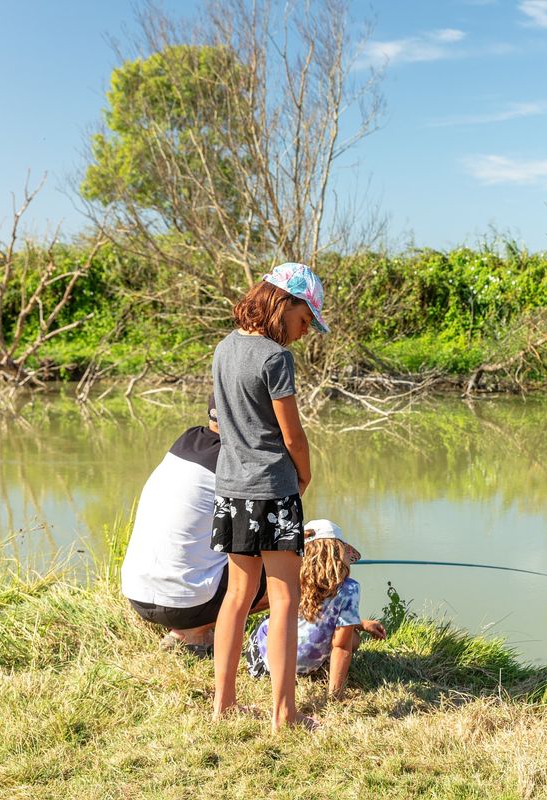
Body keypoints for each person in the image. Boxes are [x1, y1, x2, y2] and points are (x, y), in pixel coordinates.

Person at [210, 262, 329, 732]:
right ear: (286, 303)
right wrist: (305, 474)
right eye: (304, 321)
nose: (303, 333)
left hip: (232, 490)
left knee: (237, 596)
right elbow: (292, 433)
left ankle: (223, 704)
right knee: (284, 597)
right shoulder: (275, 358)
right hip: (274, 491)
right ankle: (285, 713)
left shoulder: (223, 349)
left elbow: (218, 420)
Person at [120, 394, 267, 655]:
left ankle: (187, 630)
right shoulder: (236, 462)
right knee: (295, 568)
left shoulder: (187, 440)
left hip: (136, 594)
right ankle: (194, 633)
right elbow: (258, 538)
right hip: (185, 604)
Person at [245, 519, 387, 700]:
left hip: (267, 664)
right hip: (308, 663)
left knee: (269, 621)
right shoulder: (349, 589)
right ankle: (318, 671)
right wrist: (335, 695)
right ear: (342, 554)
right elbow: (341, 646)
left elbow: (311, 615)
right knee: (352, 639)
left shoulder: (290, 578)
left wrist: (361, 623)